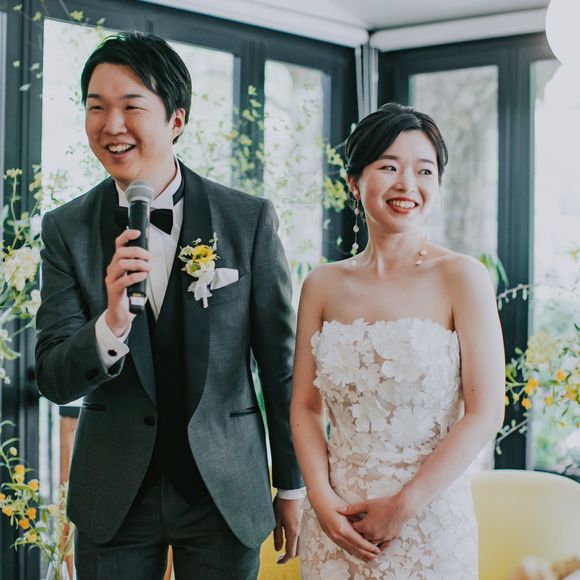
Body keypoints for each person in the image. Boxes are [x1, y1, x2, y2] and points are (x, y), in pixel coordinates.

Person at [35, 31, 303, 580]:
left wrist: (291, 484)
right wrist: (110, 325)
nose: (111, 125)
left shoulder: (247, 220)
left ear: (177, 119)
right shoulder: (65, 229)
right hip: (113, 496)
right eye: (96, 107)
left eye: (131, 107)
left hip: (223, 488)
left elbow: (280, 365)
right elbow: (53, 377)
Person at [291, 102, 505, 578]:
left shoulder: (462, 277)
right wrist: (321, 500)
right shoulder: (322, 285)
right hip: (336, 523)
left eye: (424, 170)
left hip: (428, 522)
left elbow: (486, 410)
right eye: (389, 167)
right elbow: (304, 406)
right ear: (354, 181)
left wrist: (404, 505)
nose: (407, 184)